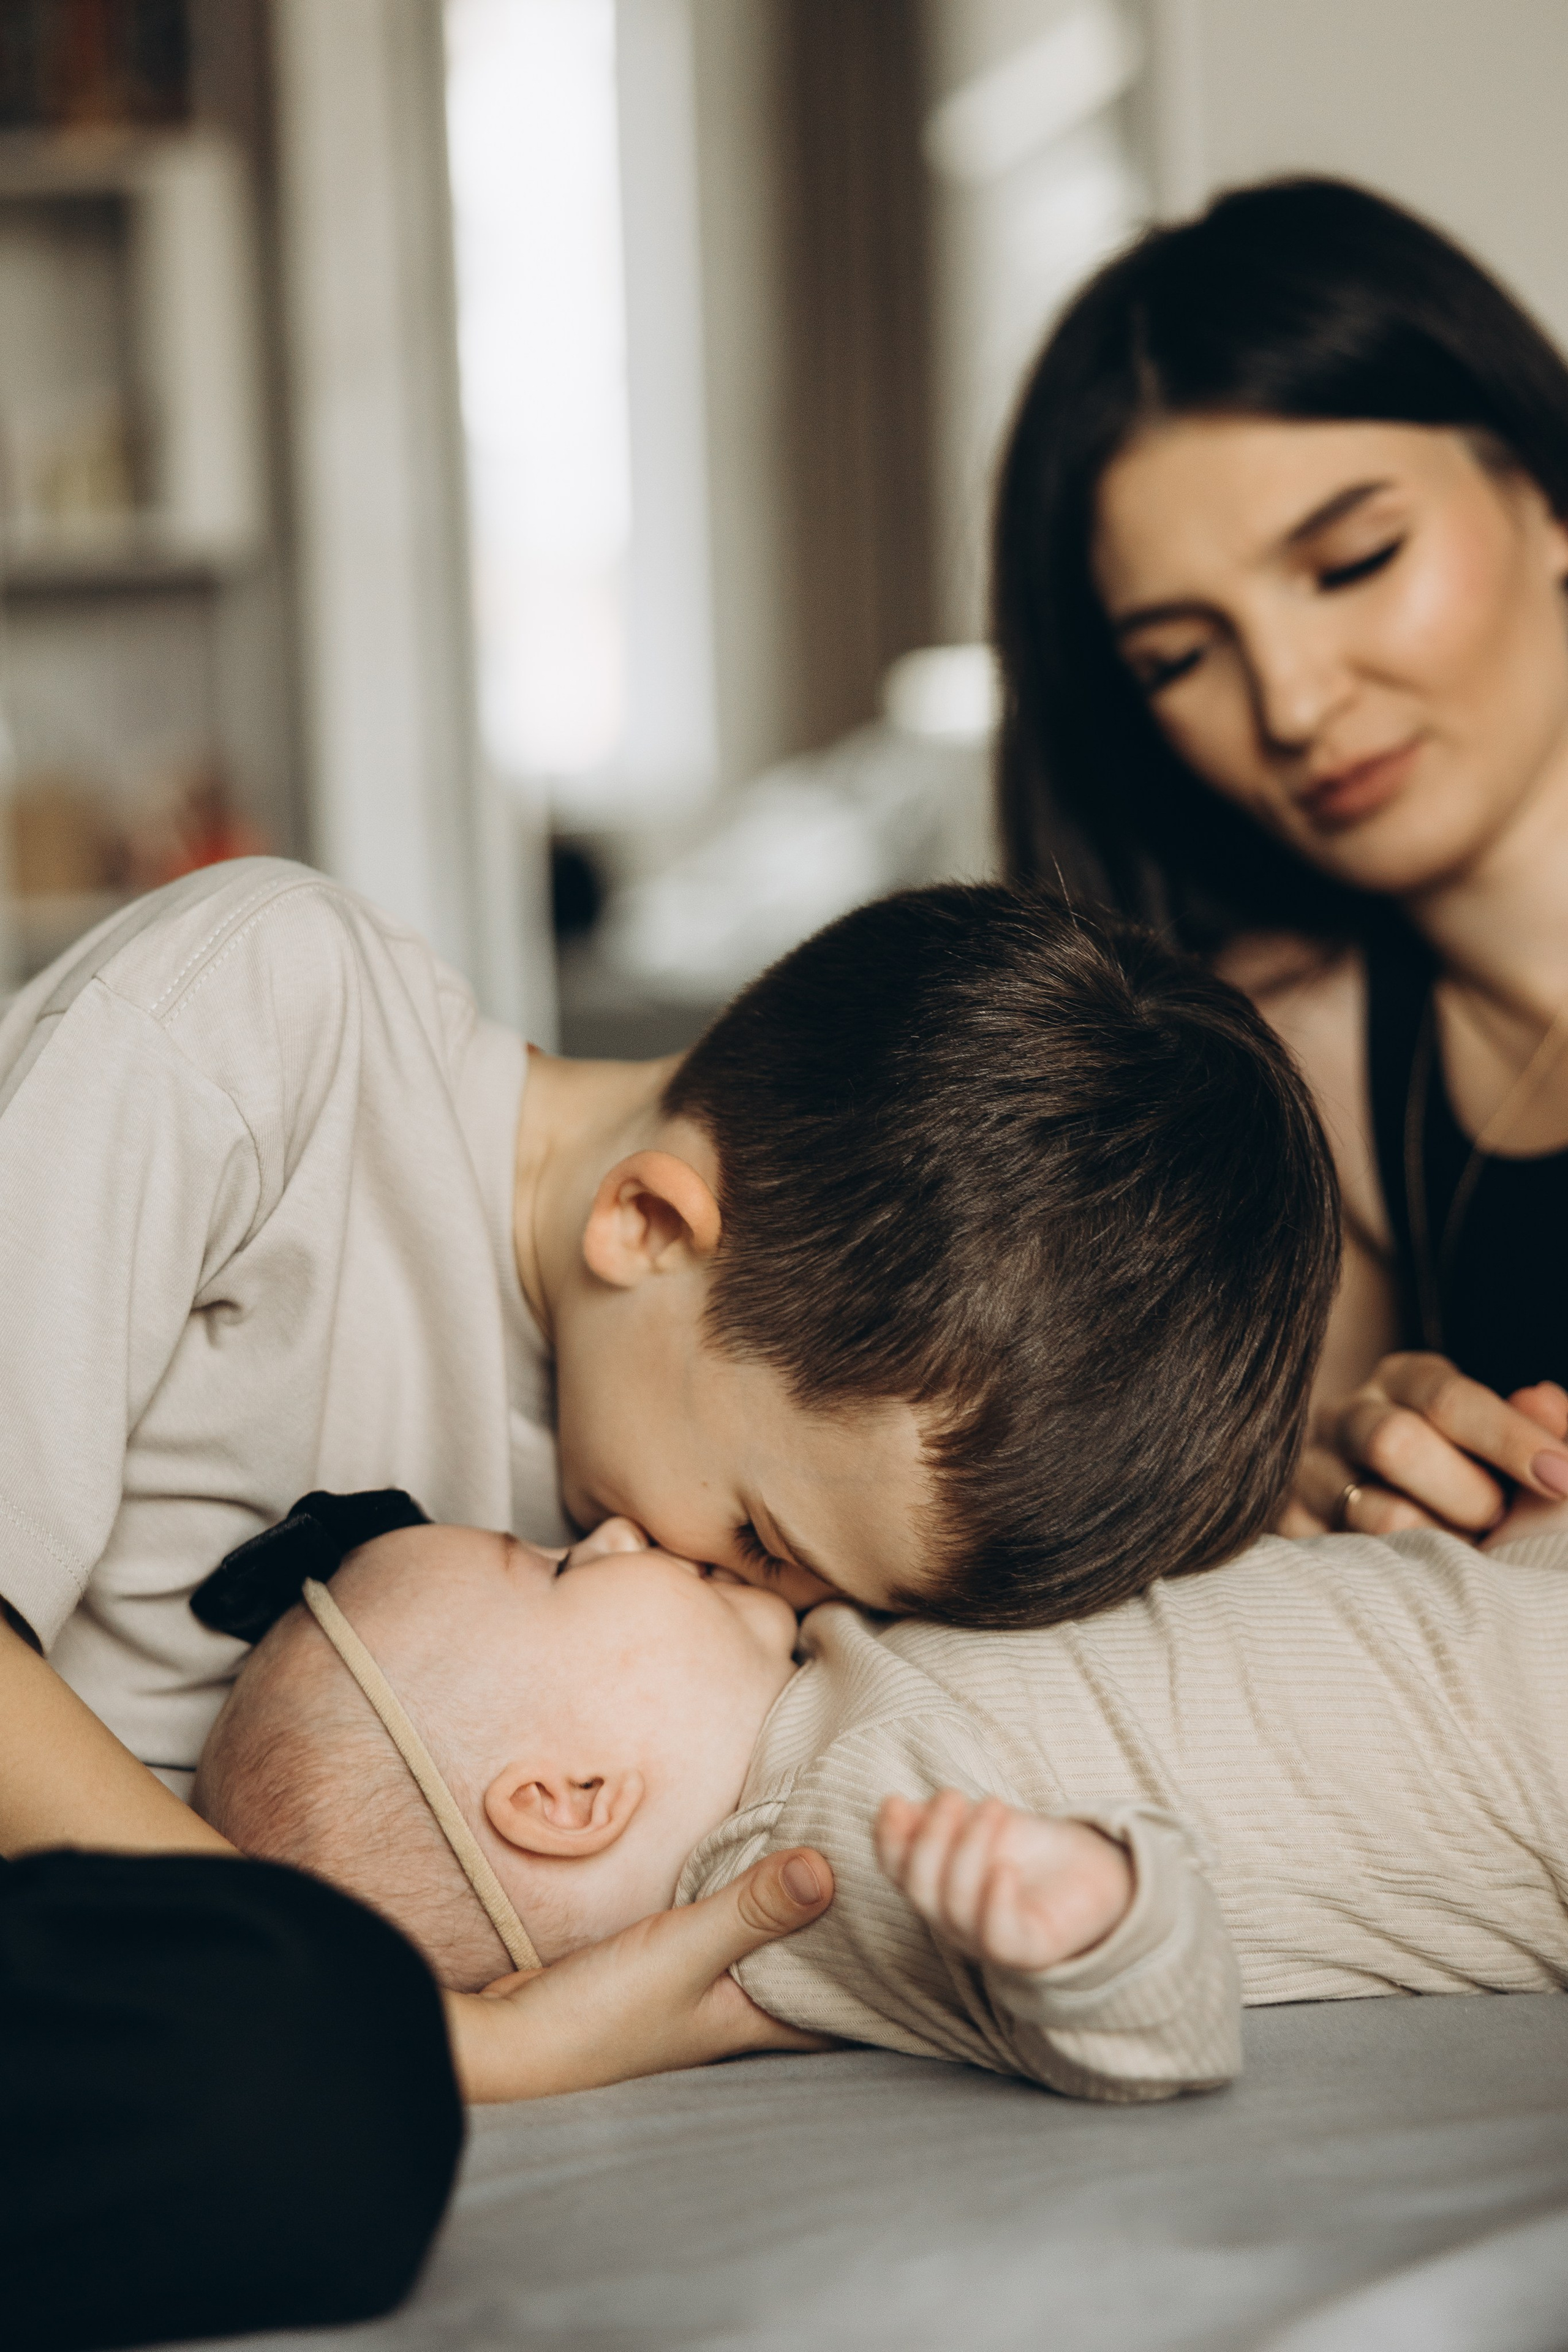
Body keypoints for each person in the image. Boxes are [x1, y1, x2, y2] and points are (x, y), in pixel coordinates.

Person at [195, 1494, 1568, 2104]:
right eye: (556, 1568)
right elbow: (1160, 2038)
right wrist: (1093, 1926)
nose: (609, 1533)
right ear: (571, 1798)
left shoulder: (830, 1671)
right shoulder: (816, 1869)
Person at [992, 173, 1568, 1544]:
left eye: (1354, 560)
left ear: (1548, 495)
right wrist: (1321, 1488)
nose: (1295, 704)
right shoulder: (1295, 1061)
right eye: (1179, 657)